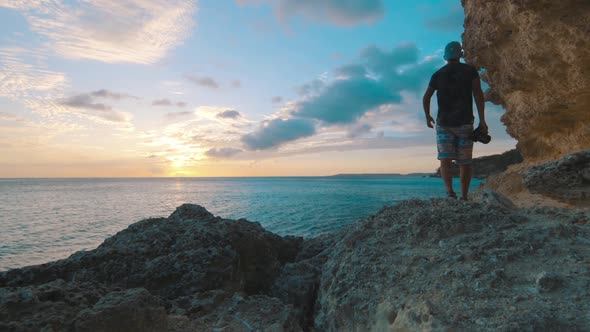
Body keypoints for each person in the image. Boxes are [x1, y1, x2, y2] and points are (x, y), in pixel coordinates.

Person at [422, 41, 487, 200]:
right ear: (461, 55)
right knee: (465, 163)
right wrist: (482, 120)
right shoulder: (470, 71)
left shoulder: (438, 74)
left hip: (443, 124)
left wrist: (427, 116)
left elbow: (426, 97)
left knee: (445, 160)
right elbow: (478, 95)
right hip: (465, 122)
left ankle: (450, 192)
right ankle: (464, 197)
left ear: (445, 57)